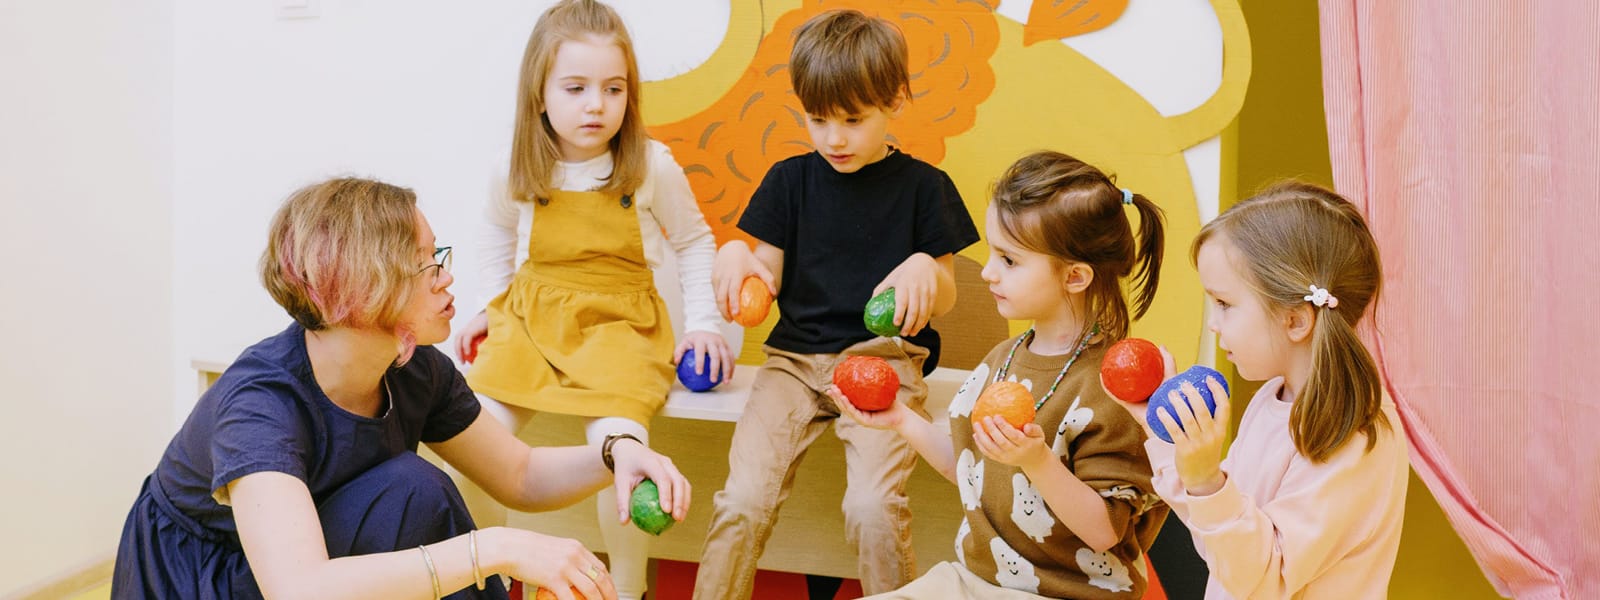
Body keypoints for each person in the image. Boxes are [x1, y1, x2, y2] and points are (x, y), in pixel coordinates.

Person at [112, 177, 689, 600]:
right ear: (360, 289)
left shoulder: (414, 369)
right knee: (415, 494)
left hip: (294, 569)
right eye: (426, 264)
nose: (447, 276)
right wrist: (501, 548)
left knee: (413, 489)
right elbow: (300, 588)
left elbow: (519, 473)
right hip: (197, 578)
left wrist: (618, 455)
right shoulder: (261, 403)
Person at [692, 9, 982, 599]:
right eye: (818, 119)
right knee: (743, 500)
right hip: (793, 364)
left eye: (853, 119)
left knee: (873, 506)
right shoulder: (788, 180)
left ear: (894, 101)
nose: (833, 138)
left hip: (885, 361)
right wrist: (734, 260)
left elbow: (945, 295)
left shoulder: (926, 188)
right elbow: (763, 280)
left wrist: (928, 267)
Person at [454, 2, 728, 598]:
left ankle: (626, 588)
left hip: (619, 327)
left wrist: (704, 324)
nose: (596, 104)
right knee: (475, 442)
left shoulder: (651, 166)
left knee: (622, 452)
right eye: (575, 88)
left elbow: (695, 242)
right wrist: (492, 305)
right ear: (540, 92)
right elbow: (494, 233)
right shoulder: (516, 166)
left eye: (613, 88)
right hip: (531, 319)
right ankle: (481, 579)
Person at [834, 151, 1171, 599]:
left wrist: (1036, 460)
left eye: (1009, 261)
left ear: (1074, 276)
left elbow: (1105, 531)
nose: (989, 273)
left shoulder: (1114, 388)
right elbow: (970, 468)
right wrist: (900, 419)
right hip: (978, 581)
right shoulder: (1002, 358)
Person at [1142, 181, 1409, 598]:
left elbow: (1263, 579)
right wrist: (1169, 440)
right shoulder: (1272, 399)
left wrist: (1207, 481)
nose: (1214, 322)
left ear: (1296, 320)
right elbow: (1220, 542)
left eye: (1225, 304)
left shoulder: (1352, 433)